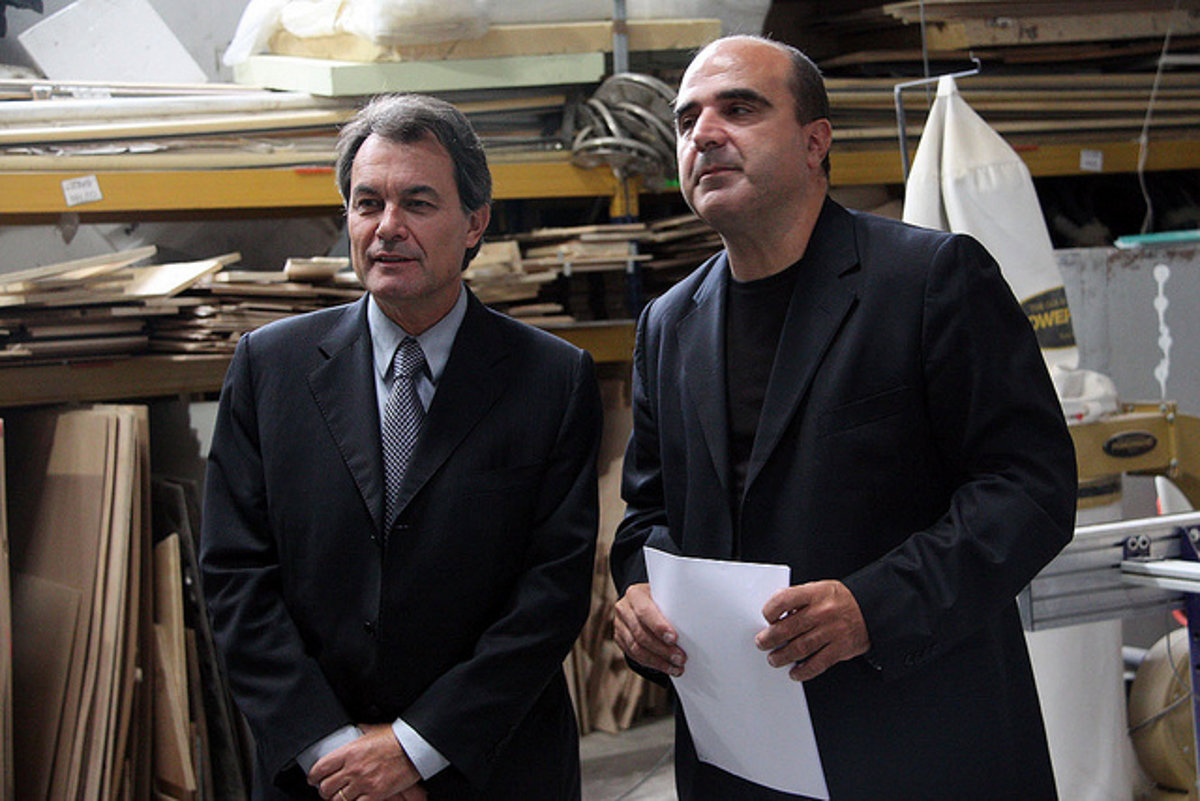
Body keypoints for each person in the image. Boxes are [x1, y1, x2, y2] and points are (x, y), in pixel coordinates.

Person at [610, 35, 1076, 800]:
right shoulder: (669, 323)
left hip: (919, 740)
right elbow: (647, 514)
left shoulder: (929, 280)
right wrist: (639, 595)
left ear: (815, 141)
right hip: (742, 753)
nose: (705, 133)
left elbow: (1030, 489)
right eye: (688, 119)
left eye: (740, 109)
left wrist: (874, 607)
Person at [201, 93, 602, 801]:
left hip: (489, 766)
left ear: (475, 222)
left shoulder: (552, 379)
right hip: (319, 777)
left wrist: (416, 750)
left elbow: (551, 593)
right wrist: (335, 752)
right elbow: (235, 577)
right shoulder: (270, 367)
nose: (388, 227)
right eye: (367, 204)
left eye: (417, 202)